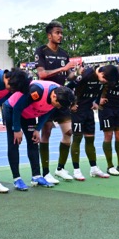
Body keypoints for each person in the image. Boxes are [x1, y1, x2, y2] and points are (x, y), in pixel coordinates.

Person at [2, 81, 76, 189]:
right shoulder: (37, 91)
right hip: (12, 110)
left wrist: (37, 129)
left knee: (33, 141)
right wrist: (17, 130)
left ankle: (36, 176)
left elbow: (47, 112)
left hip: (29, 113)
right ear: (54, 96)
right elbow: (17, 108)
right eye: (59, 105)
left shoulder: (61, 94)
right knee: (14, 142)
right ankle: (17, 179)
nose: (59, 107)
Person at [34, 21, 80, 182]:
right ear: (49, 35)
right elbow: (42, 74)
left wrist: (77, 73)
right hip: (48, 99)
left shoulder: (64, 53)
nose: (60, 35)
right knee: (46, 132)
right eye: (57, 33)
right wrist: (63, 69)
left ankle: (60, 168)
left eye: (61, 33)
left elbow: (69, 75)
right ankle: (45, 172)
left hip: (63, 98)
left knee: (68, 132)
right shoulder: (41, 51)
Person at [67, 64, 119, 178]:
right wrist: (71, 104)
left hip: (89, 111)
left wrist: (96, 102)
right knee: (77, 139)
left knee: (90, 140)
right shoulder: (86, 75)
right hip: (78, 111)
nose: (105, 82)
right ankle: (76, 170)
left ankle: (94, 168)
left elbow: (100, 91)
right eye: (104, 79)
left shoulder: (103, 79)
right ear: (101, 73)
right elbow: (67, 88)